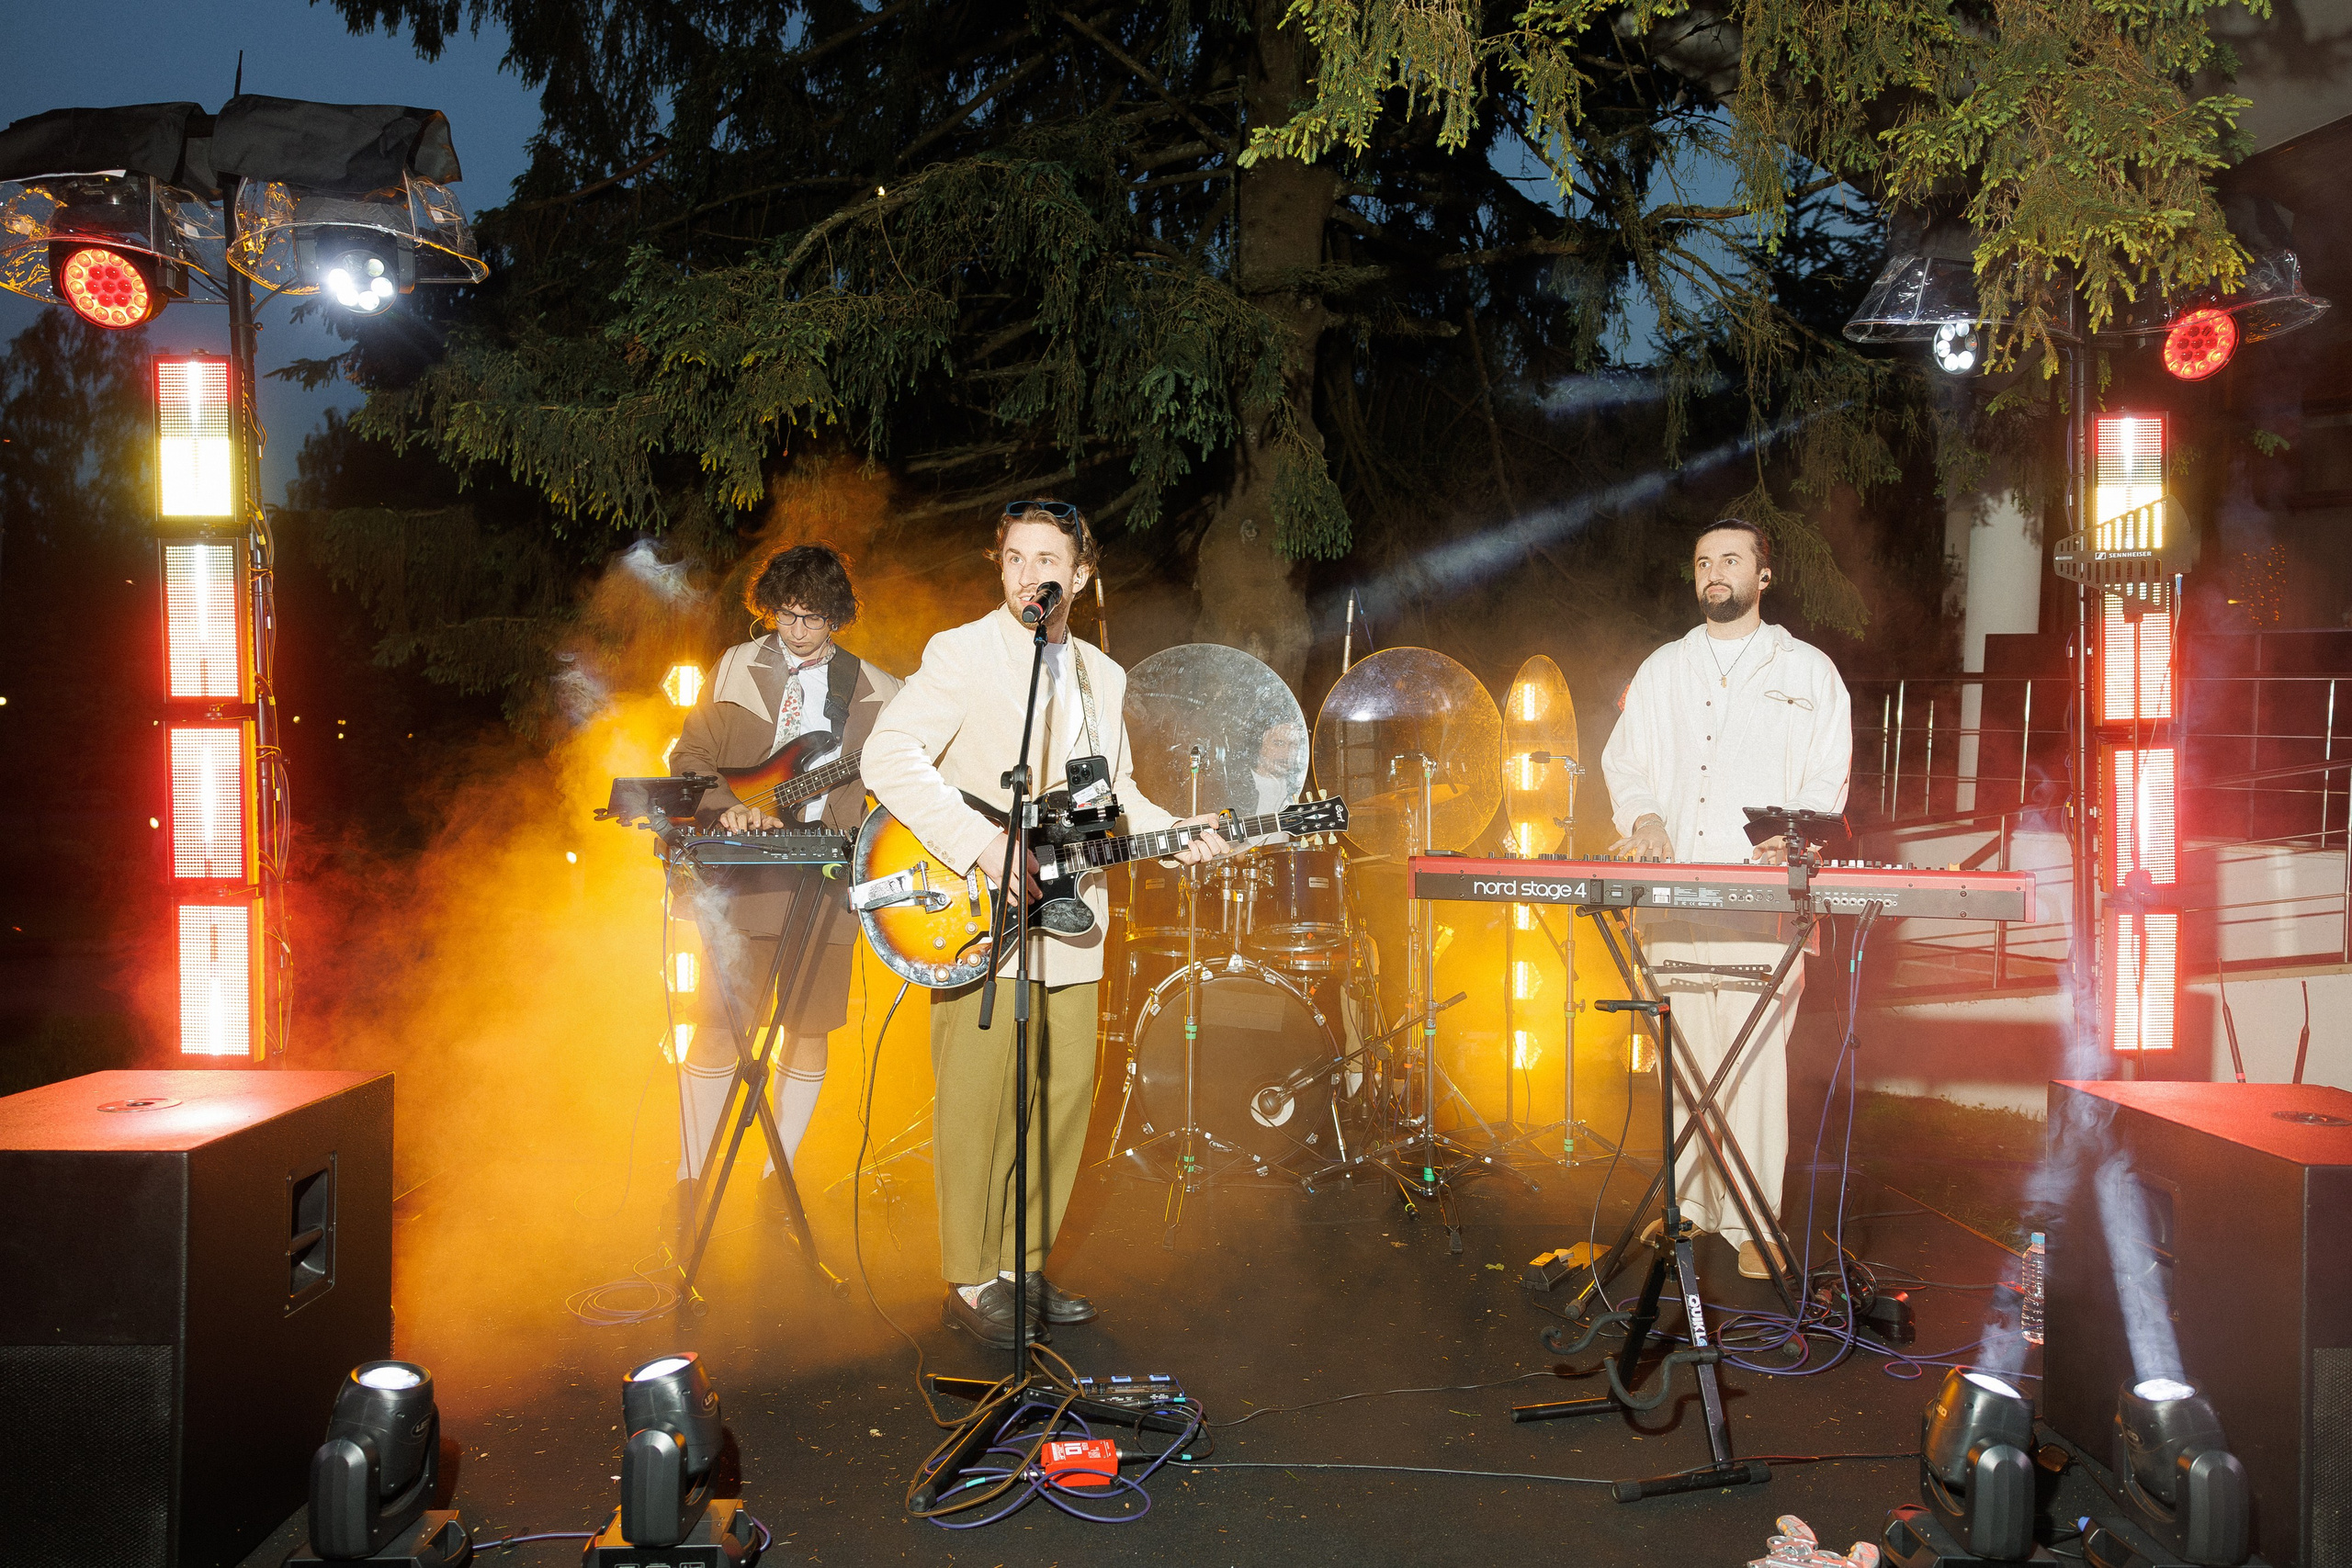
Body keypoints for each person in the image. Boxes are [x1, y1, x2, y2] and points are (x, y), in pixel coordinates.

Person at [861, 499, 1238, 1348]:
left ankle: (1021, 1266)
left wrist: (1172, 837)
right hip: (977, 909)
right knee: (979, 1097)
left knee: (1064, 1095)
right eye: (1016, 558)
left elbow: (1115, 797)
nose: (1031, 573)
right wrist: (979, 841)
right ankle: (969, 1276)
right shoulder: (963, 652)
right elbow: (887, 754)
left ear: (1084, 572)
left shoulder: (1105, 676)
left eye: (1048, 559)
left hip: (1073, 918)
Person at [1599, 519, 1851, 1281]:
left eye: (1730, 560)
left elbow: (1824, 774)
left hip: (1759, 898)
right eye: (1703, 560)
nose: (1714, 571)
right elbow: (1626, 762)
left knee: (1753, 1057)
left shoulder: (1808, 672)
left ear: (1762, 576)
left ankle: (1754, 1219)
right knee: (1682, 1053)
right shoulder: (1663, 668)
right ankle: (1690, 1209)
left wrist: (1795, 834)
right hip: (1672, 896)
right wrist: (1643, 816)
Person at [668, 543, 902, 1207]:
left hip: (826, 878)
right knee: (717, 1021)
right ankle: (690, 1176)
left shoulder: (879, 689)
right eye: (787, 615)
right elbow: (691, 757)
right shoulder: (734, 669)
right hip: (741, 884)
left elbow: (901, 780)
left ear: (838, 616)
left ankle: (778, 1179)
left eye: (813, 618)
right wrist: (729, 808)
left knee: (808, 1027)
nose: (797, 631)